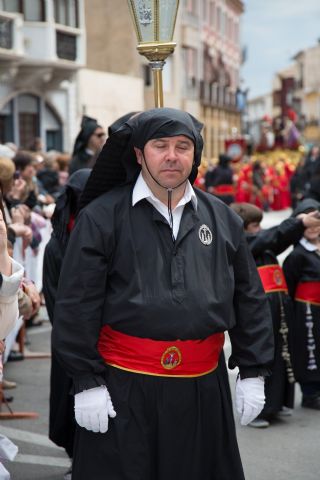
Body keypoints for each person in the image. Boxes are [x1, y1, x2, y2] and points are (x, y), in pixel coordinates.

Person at [52, 108, 274, 480]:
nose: (172, 155)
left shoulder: (222, 218)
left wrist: (253, 369)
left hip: (204, 388)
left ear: (195, 154)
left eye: (183, 146)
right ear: (139, 154)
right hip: (123, 387)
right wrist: (85, 380)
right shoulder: (102, 217)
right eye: (161, 145)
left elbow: (248, 296)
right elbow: (77, 303)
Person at [230, 202, 320, 427]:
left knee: (282, 358)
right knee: (262, 359)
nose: (258, 230)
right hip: (258, 317)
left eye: (259, 225)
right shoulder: (245, 245)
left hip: (278, 313)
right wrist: (299, 223)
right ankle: (257, 412)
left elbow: (277, 239)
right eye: (253, 226)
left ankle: (276, 404)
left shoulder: (264, 248)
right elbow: (274, 236)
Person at [42, 169, 91, 471]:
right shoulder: (57, 244)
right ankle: (77, 457)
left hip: (105, 333)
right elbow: (54, 296)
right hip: (71, 335)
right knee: (70, 400)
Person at [283, 199, 320, 410]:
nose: (314, 227)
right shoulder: (297, 256)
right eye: (309, 223)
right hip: (306, 312)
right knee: (309, 350)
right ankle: (310, 393)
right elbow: (289, 287)